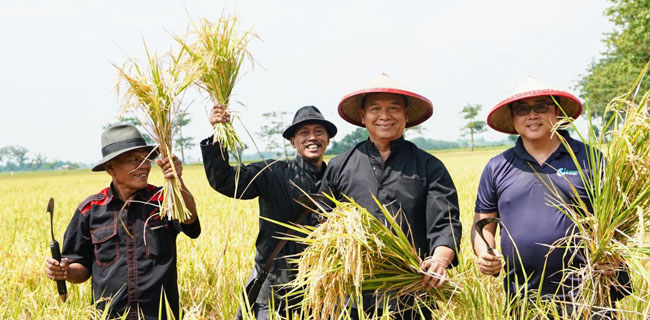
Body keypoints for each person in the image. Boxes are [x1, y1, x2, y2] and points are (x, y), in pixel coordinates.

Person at [472, 76, 629, 317]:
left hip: (588, 293)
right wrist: (485, 252)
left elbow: (618, 221)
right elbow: (483, 224)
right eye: (523, 109)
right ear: (514, 118)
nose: (532, 115)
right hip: (524, 298)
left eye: (542, 107)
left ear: (557, 113)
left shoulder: (590, 160)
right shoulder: (497, 167)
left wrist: (614, 255)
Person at [320, 73, 462, 319]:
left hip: (411, 290)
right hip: (352, 292)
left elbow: (445, 222)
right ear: (363, 117)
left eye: (394, 109)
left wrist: (439, 260)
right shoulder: (340, 166)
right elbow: (321, 220)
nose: (384, 116)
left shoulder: (430, 167)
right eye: (375, 109)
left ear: (406, 115)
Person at [45, 124, 200, 320]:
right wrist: (64, 271)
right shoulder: (90, 210)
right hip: (110, 316)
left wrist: (177, 181)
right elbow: (81, 269)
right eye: (134, 159)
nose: (144, 165)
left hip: (160, 315)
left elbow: (190, 223)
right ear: (110, 167)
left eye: (146, 158)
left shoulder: (163, 200)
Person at [201, 104, 337, 319]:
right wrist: (219, 133)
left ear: (328, 140)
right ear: (293, 141)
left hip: (322, 289)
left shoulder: (337, 181)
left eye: (319, 132)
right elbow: (226, 181)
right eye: (304, 132)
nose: (312, 137)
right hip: (277, 287)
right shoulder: (272, 173)